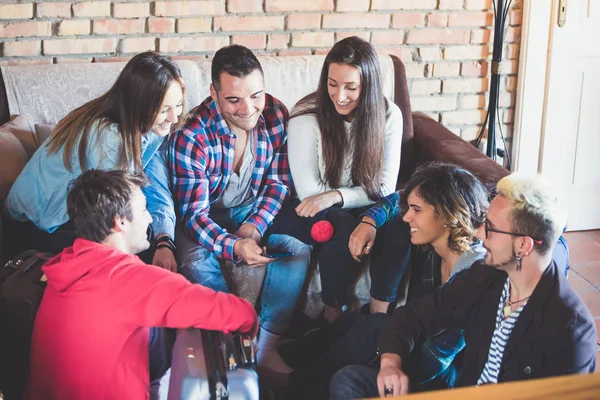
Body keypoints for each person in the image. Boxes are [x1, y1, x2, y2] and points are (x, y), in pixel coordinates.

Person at [330, 172, 596, 398]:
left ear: (524, 245)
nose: (480, 234)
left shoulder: (570, 329)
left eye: (490, 228)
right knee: (349, 380)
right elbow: (412, 318)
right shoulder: (487, 276)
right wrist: (390, 363)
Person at [26, 169, 258, 400]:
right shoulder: (125, 279)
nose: (149, 218)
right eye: (144, 209)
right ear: (121, 222)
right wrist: (251, 326)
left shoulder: (69, 265)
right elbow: (233, 312)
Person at [284, 162, 489, 399]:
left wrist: (385, 362)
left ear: (447, 213)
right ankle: (280, 366)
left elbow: (434, 362)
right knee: (351, 322)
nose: (408, 217)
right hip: (416, 351)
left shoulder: (475, 270)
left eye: (417, 210)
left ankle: (293, 385)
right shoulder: (439, 246)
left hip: (441, 377)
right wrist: (368, 223)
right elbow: (397, 200)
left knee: (374, 329)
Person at [169, 45, 311, 377]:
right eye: (234, 100)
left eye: (256, 95)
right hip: (204, 215)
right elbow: (193, 215)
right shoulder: (192, 134)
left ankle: (267, 347)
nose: (248, 109)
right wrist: (233, 245)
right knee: (195, 263)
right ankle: (230, 346)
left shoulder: (277, 114)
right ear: (214, 93)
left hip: (251, 208)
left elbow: (277, 183)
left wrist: (254, 228)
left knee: (297, 251)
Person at [4, 51, 184, 272]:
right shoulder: (110, 134)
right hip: (36, 226)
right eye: (165, 109)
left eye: (179, 105)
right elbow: (113, 213)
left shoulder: (152, 126)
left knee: (158, 240)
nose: (174, 118)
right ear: (140, 103)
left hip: (73, 212)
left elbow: (151, 184)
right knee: (142, 251)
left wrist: (163, 238)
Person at [286, 36, 408, 322]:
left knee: (398, 221)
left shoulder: (389, 115)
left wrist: (336, 195)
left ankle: (380, 317)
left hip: (354, 202)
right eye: (332, 84)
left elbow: (384, 189)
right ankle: (331, 313)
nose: (339, 96)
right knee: (341, 226)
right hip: (312, 210)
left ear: (368, 86)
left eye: (351, 87)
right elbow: (309, 194)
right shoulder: (305, 116)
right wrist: (334, 200)